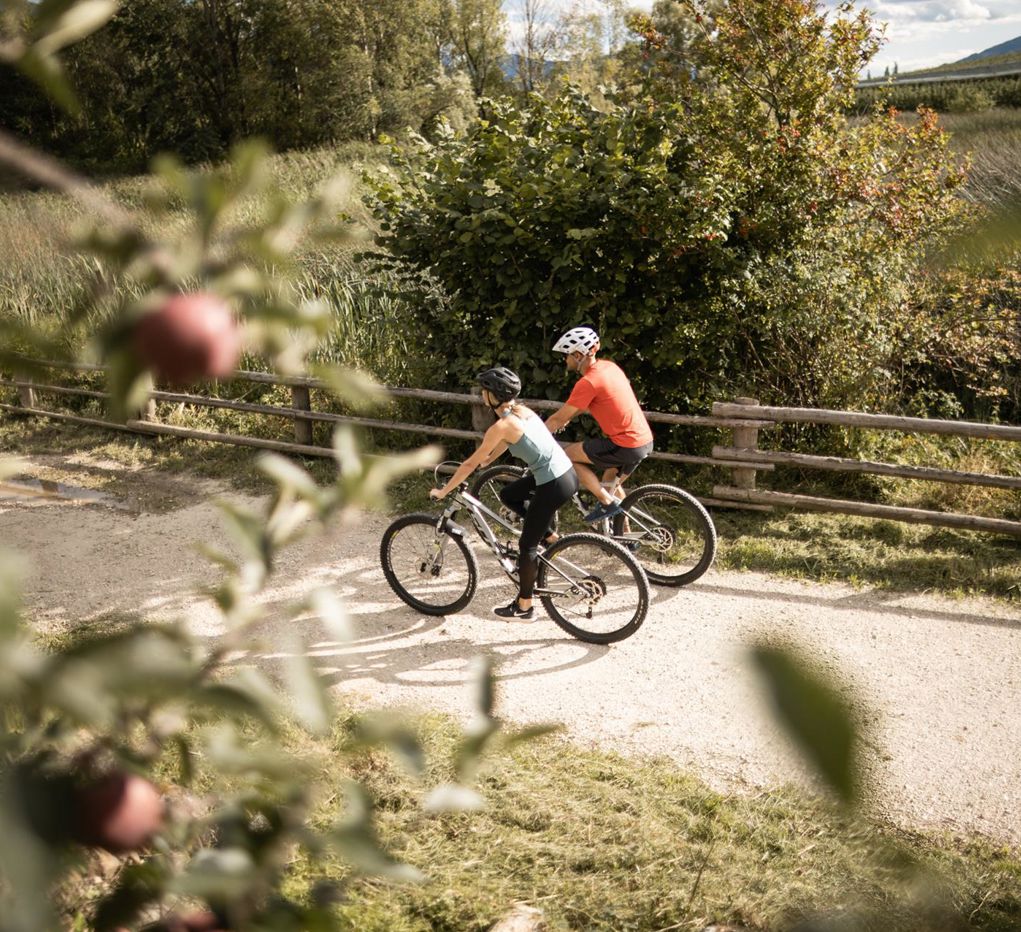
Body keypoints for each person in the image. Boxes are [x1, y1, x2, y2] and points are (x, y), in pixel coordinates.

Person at [430, 367, 578, 621]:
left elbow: (467, 465)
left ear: (493, 396)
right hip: (566, 474)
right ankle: (550, 536)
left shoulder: (502, 425)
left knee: (526, 546)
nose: (482, 396)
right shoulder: (523, 412)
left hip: (552, 483)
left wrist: (444, 491)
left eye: (484, 391)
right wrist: (487, 460)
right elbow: (507, 442)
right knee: (509, 495)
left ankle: (524, 606)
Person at [545, 326, 654, 522]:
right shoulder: (609, 368)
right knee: (610, 482)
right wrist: (569, 417)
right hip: (643, 440)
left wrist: (537, 435)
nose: (565, 359)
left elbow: (557, 419)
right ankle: (625, 537)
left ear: (578, 355)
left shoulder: (588, 382)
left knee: (566, 456)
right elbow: (590, 403)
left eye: (567, 355)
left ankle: (605, 503)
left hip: (625, 445)